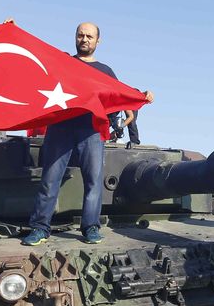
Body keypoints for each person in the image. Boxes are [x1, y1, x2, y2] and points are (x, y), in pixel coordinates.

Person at [22, 22, 154, 246]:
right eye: (81, 35)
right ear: (75, 37)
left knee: (93, 182)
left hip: (91, 130)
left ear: (97, 41)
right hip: (60, 127)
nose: (84, 39)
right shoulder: (63, 61)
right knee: (50, 180)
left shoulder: (105, 71)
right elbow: (36, 54)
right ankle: (40, 228)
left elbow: (119, 92)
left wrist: (141, 95)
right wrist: (16, 32)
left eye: (89, 36)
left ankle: (90, 227)